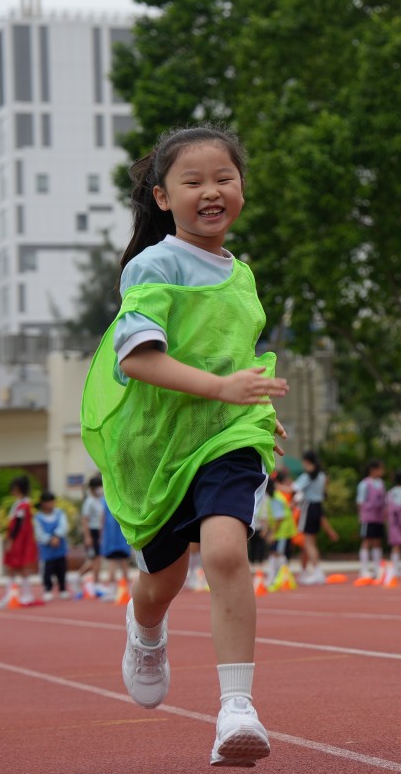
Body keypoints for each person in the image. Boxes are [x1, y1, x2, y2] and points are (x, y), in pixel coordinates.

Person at [78, 124, 289, 766]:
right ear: (163, 197)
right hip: (158, 443)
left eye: (225, 178)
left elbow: (231, 355)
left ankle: (236, 709)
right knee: (163, 580)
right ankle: (145, 631)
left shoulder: (243, 274)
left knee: (225, 550)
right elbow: (137, 358)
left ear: (242, 188)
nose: (212, 191)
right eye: (193, 181)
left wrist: (253, 405)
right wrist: (224, 387)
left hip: (227, 433)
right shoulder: (155, 265)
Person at [293, 451, 330, 582]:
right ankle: (305, 571)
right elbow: (325, 491)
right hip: (318, 507)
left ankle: (317, 571)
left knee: (308, 543)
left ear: (307, 462)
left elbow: (293, 488)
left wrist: (276, 485)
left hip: (308, 507)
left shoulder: (307, 476)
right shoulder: (322, 475)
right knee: (311, 542)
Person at [2, 474, 39, 605]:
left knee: (15, 568)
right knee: (18, 568)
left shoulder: (23, 505)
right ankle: (20, 594)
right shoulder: (21, 504)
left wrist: (10, 540)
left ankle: (20, 595)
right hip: (19, 539)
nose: (12, 491)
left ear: (19, 489)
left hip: (19, 541)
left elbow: (17, 525)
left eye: (14, 489)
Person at [354, 460, 387, 583]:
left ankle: (377, 568)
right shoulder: (364, 484)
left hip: (379, 517)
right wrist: (361, 516)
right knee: (367, 540)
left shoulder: (381, 483)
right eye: (380, 468)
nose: (382, 471)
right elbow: (360, 501)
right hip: (368, 516)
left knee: (377, 541)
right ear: (372, 469)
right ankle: (364, 569)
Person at [35, 491, 71, 601]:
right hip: (47, 549)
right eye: (48, 502)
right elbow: (38, 532)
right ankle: (48, 589)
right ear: (43, 503)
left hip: (60, 547)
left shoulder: (59, 513)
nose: (51, 504)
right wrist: (50, 540)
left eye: (52, 502)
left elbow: (64, 526)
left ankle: (62, 589)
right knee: (47, 571)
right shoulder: (38, 517)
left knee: (61, 569)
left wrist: (57, 536)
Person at [264, 471, 297, 580]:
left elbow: (279, 518)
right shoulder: (276, 496)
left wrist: (272, 533)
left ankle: (281, 575)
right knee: (276, 552)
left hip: (282, 530)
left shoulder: (275, 499)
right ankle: (278, 575)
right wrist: (267, 530)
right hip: (282, 529)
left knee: (278, 553)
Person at [78, 474, 107, 591]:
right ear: (92, 488)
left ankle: (94, 581)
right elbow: (85, 520)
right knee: (95, 559)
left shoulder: (100, 500)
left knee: (97, 559)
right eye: (98, 487)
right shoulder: (89, 502)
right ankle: (93, 581)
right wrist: (87, 537)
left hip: (99, 531)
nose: (100, 489)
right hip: (91, 531)